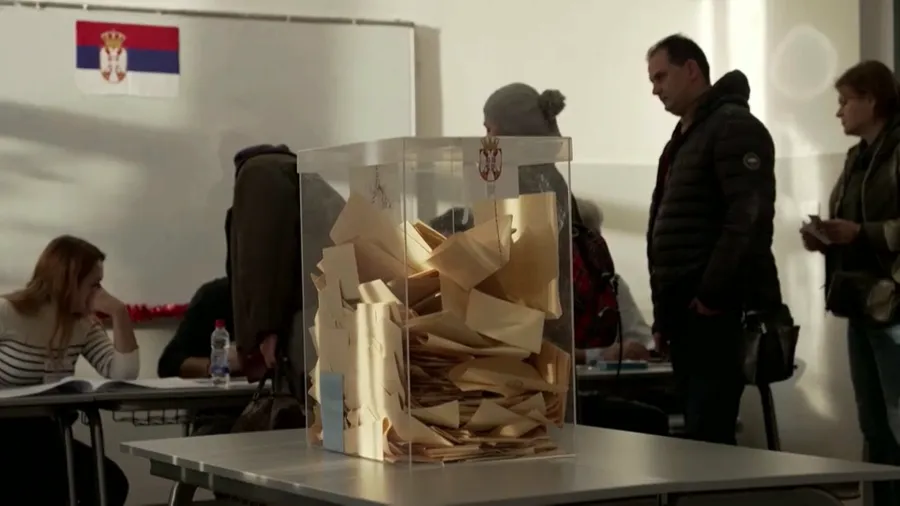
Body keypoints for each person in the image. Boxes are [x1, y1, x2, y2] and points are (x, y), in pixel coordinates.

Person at [645, 34, 783, 445]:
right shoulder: (685, 138)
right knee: (697, 437)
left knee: (709, 436)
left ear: (691, 70)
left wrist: (711, 295)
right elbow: (666, 228)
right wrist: (664, 317)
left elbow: (748, 219)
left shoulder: (733, 127)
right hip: (687, 315)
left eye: (660, 77)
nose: (655, 89)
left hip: (718, 314)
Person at [801, 60, 900, 506]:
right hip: (860, 302)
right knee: (873, 423)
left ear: (872, 100)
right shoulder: (856, 157)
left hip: (894, 304)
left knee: (897, 417)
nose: (838, 111)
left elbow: (872, 229)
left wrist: (861, 233)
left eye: (845, 101)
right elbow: (850, 223)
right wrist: (824, 237)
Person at [0, 235, 137, 505]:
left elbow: (124, 373)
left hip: (46, 433)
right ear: (67, 281)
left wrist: (119, 313)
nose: (99, 293)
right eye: (93, 284)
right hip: (6, 431)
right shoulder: (8, 312)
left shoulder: (83, 323)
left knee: (110, 484)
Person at [229, 144, 345, 397]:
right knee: (334, 413)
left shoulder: (258, 174)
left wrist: (265, 330)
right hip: (334, 319)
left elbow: (261, 254)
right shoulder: (299, 175)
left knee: (310, 411)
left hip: (304, 329)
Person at [573, 197, 653, 364]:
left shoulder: (611, 284)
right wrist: (599, 355)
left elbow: (640, 338)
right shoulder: (541, 288)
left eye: (596, 234)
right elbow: (540, 351)